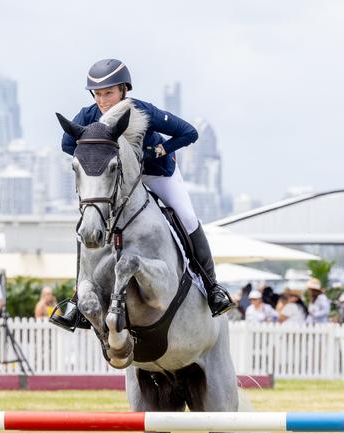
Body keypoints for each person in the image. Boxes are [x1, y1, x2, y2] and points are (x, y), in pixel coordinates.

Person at [51, 58, 234, 332]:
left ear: (124, 90)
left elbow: (189, 133)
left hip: (156, 172)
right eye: (98, 94)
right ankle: (78, 301)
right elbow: (68, 143)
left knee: (186, 217)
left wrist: (157, 151)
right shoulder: (89, 116)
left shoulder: (143, 111)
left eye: (108, 93)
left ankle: (212, 286)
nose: (102, 100)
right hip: (116, 179)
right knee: (89, 224)